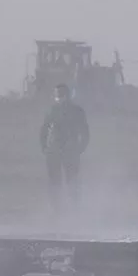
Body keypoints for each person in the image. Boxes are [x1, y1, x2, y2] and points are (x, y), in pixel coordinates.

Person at [39, 83, 90, 212]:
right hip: (54, 150)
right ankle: (56, 209)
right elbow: (44, 130)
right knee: (54, 182)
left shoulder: (77, 111)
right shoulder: (52, 110)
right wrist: (44, 146)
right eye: (57, 95)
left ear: (67, 95)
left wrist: (81, 148)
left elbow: (84, 131)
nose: (58, 97)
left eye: (61, 94)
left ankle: (75, 208)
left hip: (71, 150)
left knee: (72, 181)